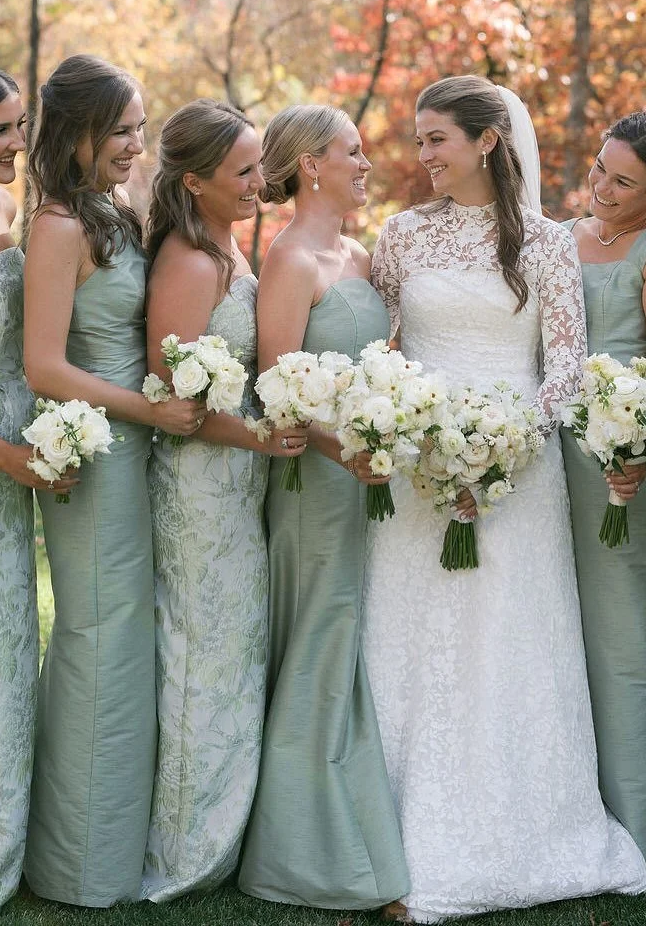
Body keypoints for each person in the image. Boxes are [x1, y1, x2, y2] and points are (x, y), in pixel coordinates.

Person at [363, 75, 646, 923]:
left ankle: (525, 831)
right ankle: (389, 835)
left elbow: (564, 361)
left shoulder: (548, 242)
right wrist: (416, 437)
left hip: (516, 472)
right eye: (417, 141)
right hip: (418, 468)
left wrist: (501, 450)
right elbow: (379, 343)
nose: (422, 157)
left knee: (506, 641)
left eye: (436, 140)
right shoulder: (401, 237)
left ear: (487, 139)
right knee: (412, 639)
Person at [21, 55, 201, 906]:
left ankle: (114, 847)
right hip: (94, 454)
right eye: (123, 130)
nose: (138, 145)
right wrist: (144, 409)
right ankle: (79, 866)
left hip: (134, 446)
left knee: (126, 645)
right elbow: (44, 365)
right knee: (98, 640)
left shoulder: (110, 213)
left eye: (140, 128)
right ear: (80, 132)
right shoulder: (57, 226)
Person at [238, 105, 408, 911]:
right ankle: (305, 850)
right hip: (315, 481)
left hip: (366, 480)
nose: (366, 162)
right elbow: (279, 393)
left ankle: (354, 816)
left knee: (352, 637)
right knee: (320, 633)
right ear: (311, 164)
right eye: (353, 151)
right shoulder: (290, 257)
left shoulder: (362, 256)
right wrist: (352, 454)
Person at [142, 100, 300, 899]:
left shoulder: (229, 248)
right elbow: (175, 397)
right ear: (194, 180)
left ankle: (225, 832)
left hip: (240, 486)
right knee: (203, 655)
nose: (257, 181)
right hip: (201, 489)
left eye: (257, 166)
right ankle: (186, 844)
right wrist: (264, 438)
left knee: (233, 653)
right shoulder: (191, 260)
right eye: (241, 170)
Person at [561, 111, 646, 862]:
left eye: (624, 180)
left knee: (624, 639)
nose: (603, 188)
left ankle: (638, 829)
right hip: (556, 456)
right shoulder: (560, 235)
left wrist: (636, 446)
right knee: (563, 632)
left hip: (625, 465)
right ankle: (572, 809)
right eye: (600, 169)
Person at [0, 58, 75, 925]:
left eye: (18, 126)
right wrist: (5, 458)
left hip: (9, 465)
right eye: (0, 129)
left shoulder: (1, 213)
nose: (16, 144)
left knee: (0, 651)